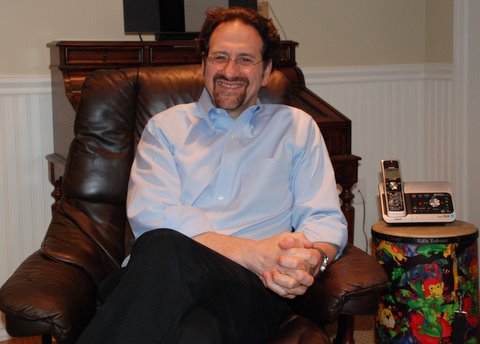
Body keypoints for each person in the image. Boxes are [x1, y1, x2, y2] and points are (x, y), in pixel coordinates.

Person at [77, 6, 347, 344]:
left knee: (165, 248)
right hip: (160, 281)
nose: (230, 71)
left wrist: (311, 258)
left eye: (245, 59)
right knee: (193, 331)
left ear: (265, 72)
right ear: (203, 64)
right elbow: (153, 214)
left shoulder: (296, 128)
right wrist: (252, 251)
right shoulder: (165, 129)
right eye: (220, 57)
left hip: (250, 289)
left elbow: (324, 219)